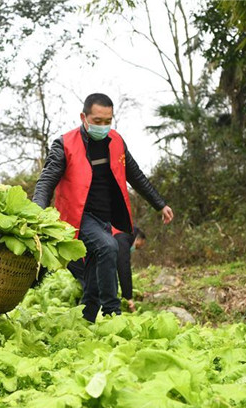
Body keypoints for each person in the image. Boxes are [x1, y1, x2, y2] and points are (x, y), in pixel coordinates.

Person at [33, 93, 173, 322]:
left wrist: (160, 204)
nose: (103, 126)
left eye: (108, 121)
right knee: (109, 247)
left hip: (105, 218)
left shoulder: (116, 141)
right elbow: (46, 181)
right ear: (84, 117)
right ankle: (112, 313)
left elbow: (135, 175)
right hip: (78, 217)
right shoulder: (65, 144)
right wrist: (37, 211)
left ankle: (86, 320)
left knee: (94, 277)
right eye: (97, 121)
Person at [113, 226, 146, 312]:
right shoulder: (123, 240)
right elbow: (124, 269)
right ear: (137, 238)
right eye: (138, 246)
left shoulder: (122, 232)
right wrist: (128, 297)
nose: (136, 249)